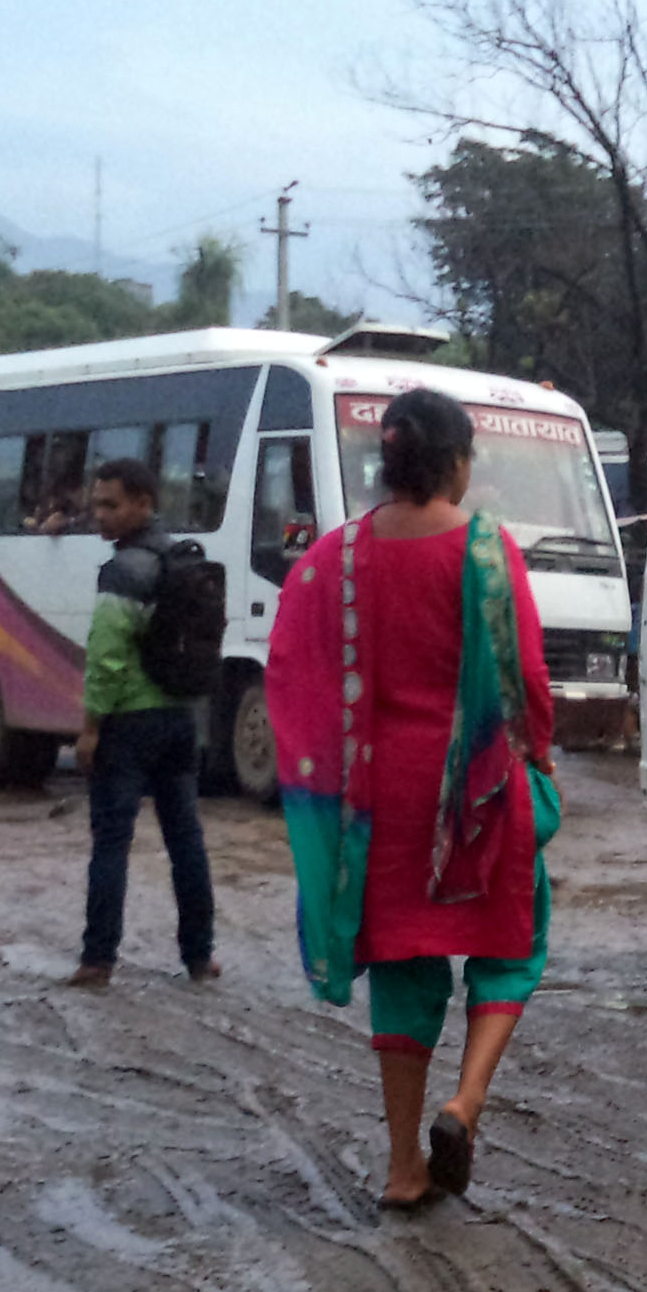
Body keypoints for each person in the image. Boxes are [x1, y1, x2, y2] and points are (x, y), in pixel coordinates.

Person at [263, 388, 557, 1211]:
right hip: (481, 789)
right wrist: (541, 753)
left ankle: (401, 1168)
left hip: (380, 801)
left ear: (388, 464)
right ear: (458, 462)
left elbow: (291, 665)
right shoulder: (489, 553)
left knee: (403, 968)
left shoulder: (336, 558)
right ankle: (464, 1104)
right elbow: (525, 678)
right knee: (510, 943)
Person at [68, 454, 217, 988]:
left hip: (129, 724)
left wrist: (90, 729)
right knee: (186, 840)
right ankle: (200, 958)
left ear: (143, 504)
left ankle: (97, 960)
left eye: (111, 505)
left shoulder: (123, 571)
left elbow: (105, 657)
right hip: (181, 720)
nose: (100, 516)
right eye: (96, 505)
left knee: (111, 842)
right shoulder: (181, 559)